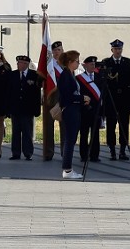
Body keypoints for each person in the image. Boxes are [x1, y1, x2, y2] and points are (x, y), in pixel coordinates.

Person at [101, 39, 130, 161]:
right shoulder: (106, 62)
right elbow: (103, 84)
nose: (118, 51)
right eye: (115, 49)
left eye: (119, 49)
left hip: (124, 101)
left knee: (124, 126)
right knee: (111, 126)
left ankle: (122, 150)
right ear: (112, 50)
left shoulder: (127, 62)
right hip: (111, 101)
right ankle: (112, 151)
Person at [8, 55, 41, 161]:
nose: (18, 65)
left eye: (21, 63)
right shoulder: (12, 75)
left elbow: (36, 94)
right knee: (16, 132)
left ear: (26, 64)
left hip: (28, 109)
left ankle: (28, 153)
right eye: (18, 63)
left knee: (27, 132)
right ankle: (16, 153)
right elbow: (8, 93)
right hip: (15, 108)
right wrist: (8, 109)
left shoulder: (34, 75)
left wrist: (37, 109)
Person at [58, 50, 84, 179]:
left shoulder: (71, 74)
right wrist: (82, 98)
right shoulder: (65, 75)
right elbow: (67, 96)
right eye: (76, 61)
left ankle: (67, 168)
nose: (78, 63)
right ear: (70, 62)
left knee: (71, 140)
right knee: (69, 140)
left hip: (75, 110)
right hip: (70, 110)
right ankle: (67, 170)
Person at [78, 56, 105, 162]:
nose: (93, 66)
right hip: (85, 110)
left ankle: (95, 155)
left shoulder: (100, 77)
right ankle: (83, 155)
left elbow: (103, 94)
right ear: (85, 65)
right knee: (84, 133)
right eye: (91, 64)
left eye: (94, 64)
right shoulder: (80, 78)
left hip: (96, 110)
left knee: (95, 134)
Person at [42, 41, 64, 161]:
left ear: (62, 51)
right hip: (50, 97)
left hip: (63, 99)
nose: (57, 52)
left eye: (59, 50)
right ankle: (48, 152)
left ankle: (64, 152)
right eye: (54, 50)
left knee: (64, 126)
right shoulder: (48, 65)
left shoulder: (67, 64)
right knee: (48, 126)